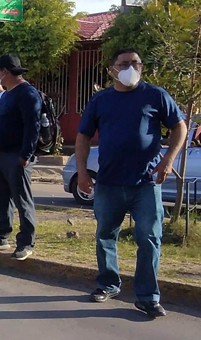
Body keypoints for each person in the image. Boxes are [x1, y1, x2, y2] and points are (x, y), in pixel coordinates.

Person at [76, 48, 187, 318]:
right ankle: (108, 284)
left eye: (135, 63)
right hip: (109, 181)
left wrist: (168, 160)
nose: (130, 68)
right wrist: (82, 172)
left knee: (149, 238)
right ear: (112, 70)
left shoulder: (155, 95)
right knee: (105, 235)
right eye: (124, 63)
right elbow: (83, 136)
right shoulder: (100, 100)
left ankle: (148, 297)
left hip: (146, 182)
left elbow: (179, 127)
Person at [0, 54, 42, 261]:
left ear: (6, 71)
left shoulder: (27, 93)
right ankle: (0, 237)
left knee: (22, 200)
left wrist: (25, 155)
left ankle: (26, 243)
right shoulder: (6, 94)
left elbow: (33, 126)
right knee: (1, 199)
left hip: (16, 156)